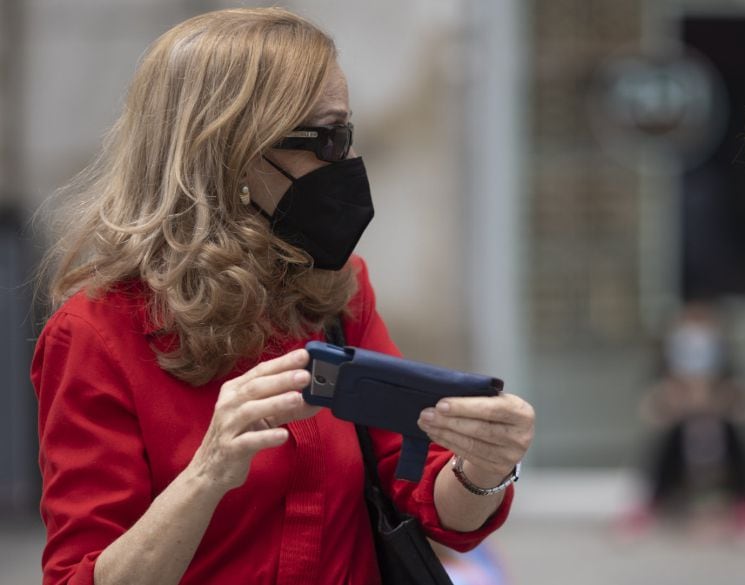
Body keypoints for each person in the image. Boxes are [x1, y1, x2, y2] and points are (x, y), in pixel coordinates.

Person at [31, 8, 534, 585]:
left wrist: (484, 466)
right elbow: (81, 576)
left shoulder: (336, 288)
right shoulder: (96, 333)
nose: (345, 162)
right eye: (327, 139)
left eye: (347, 133)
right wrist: (208, 473)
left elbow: (422, 491)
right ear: (230, 151)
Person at [624, 302, 745, 537]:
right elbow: (650, 411)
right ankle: (651, 502)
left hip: (719, 435)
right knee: (668, 441)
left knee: (735, 439)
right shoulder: (666, 373)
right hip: (682, 439)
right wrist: (675, 402)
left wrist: (718, 401)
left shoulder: (727, 372)